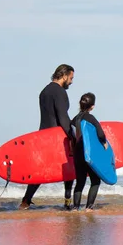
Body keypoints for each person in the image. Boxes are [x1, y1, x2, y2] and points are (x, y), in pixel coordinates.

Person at [18, 64, 75, 211]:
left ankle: (25, 201)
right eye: (71, 78)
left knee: (40, 171)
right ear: (64, 76)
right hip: (57, 137)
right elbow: (63, 117)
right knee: (69, 167)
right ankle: (68, 203)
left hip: (43, 135)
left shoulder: (44, 91)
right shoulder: (60, 92)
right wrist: (72, 136)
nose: (71, 82)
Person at [70, 92, 107, 211]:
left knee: (80, 182)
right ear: (92, 106)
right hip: (89, 153)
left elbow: (71, 135)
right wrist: (104, 142)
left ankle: (75, 208)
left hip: (77, 153)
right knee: (95, 181)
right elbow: (100, 133)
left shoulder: (74, 119)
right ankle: (89, 208)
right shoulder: (90, 118)